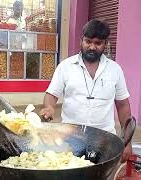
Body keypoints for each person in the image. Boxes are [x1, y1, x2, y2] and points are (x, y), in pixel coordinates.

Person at [39, 19, 133, 163]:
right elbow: (51, 94)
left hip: (104, 140)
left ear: (105, 44)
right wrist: (49, 107)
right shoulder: (66, 67)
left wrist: (127, 142)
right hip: (71, 139)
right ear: (81, 40)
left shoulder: (115, 70)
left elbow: (123, 105)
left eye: (97, 43)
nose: (92, 47)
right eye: (88, 41)